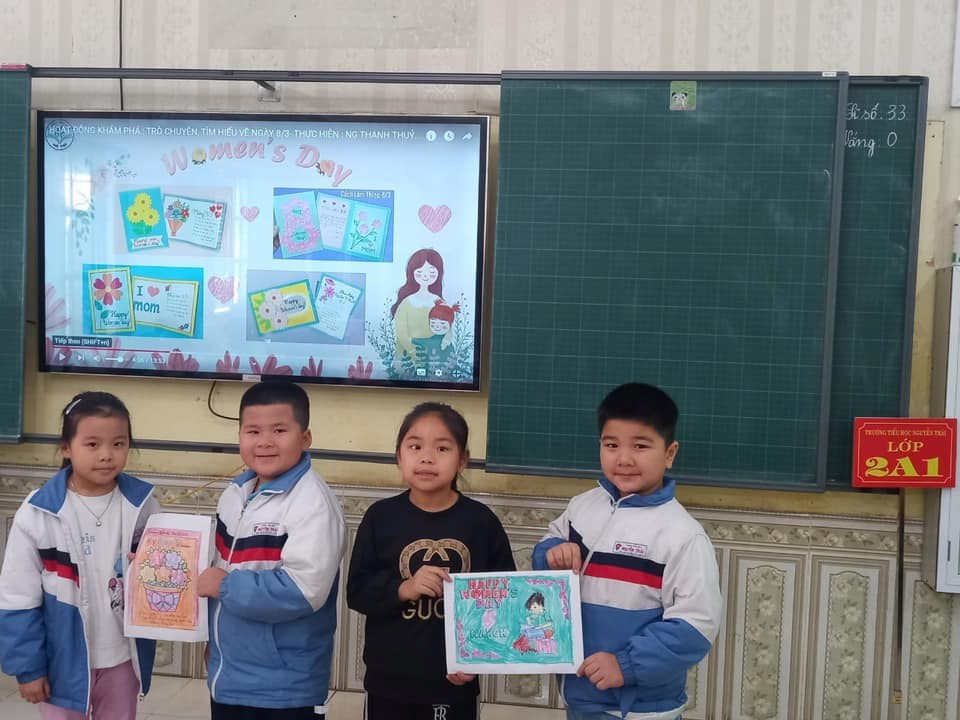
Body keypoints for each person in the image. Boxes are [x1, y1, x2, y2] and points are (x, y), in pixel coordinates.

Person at [533, 383, 722, 720]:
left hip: (639, 709)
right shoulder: (582, 507)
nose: (624, 459)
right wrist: (552, 553)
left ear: (670, 453)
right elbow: (547, 551)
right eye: (611, 445)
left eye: (640, 446)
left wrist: (626, 665)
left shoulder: (682, 535)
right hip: (580, 696)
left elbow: (696, 625)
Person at [347, 402, 516, 720]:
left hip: (453, 683)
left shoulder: (482, 523)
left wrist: (477, 660)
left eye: (442, 448)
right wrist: (404, 588)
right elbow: (357, 591)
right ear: (399, 456)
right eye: (415, 446)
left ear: (462, 460)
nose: (427, 457)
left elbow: (504, 601)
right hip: (388, 682)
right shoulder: (380, 517)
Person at [0, 391, 159, 719]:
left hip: (122, 659)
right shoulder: (38, 512)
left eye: (118, 443)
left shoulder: (144, 505)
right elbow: (17, 597)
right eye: (92, 444)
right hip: (61, 663)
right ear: (66, 447)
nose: (107, 455)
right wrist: (28, 668)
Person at [197, 381, 345, 720]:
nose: (264, 441)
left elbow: (303, 591)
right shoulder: (236, 493)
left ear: (305, 438)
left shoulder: (312, 502)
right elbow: (216, 569)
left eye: (279, 430)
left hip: (284, 689)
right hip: (229, 675)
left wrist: (225, 586)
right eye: (253, 431)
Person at [390, 248, 446, 360]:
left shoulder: (439, 302)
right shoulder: (406, 303)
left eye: (431, 272)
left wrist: (444, 343)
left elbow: (447, 328)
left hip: (434, 355)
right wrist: (412, 350)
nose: (425, 276)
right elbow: (401, 332)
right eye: (420, 272)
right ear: (412, 272)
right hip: (408, 356)